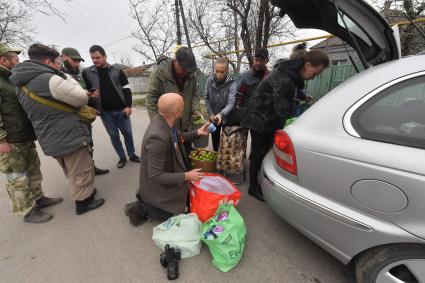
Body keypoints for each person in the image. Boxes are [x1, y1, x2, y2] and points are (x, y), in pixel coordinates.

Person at [10, 43, 105, 215]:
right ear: (47, 61)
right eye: (56, 62)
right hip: (68, 133)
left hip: (49, 135)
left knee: (70, 168)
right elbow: (80, 98)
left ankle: (84, 192)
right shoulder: (50, 79)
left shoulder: (20, 83)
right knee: (80, 169)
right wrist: (66, 77)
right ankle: (84, 202)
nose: (58, 65)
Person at [241, 49, 329, 202]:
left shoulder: (291, 73)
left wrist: (301, 96)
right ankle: (253, 187)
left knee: (266, 151)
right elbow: (282, 108)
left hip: (267, 117)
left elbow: (290, 91)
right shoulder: (285, 78)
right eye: (315, 73)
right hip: (258, 117)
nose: (315, 77)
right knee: (258, 152)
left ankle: (262, 181)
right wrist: (300, 110)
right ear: (307, 65)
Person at [124, 93, 209, 226]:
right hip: (157, 186)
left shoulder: (165, 120)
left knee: (187, 202)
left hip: (167, 177)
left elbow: (177, 138)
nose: (184, 107)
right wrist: (187, 175)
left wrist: (198, 132)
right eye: (183, 106)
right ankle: (140, 208)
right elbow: (156, 176)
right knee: (178, 213)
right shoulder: (157, 137)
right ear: (176, 112)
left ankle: (146, 201)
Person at [0, 44, 63, 223]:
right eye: (15, 59)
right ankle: (28, 211)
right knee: (17, 177)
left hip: (24, 135)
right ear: (3, 60)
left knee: (33, 170)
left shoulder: (11, 79)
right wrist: (1, 140)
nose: (18, 61)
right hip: (10, 140)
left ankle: (38, 199)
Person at [82, 45, 140, 169]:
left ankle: (132, 154)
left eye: (98, 57)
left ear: (105, 56)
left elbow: (126, 89)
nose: (95, 60)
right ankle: (122, 157)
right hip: (105, 113)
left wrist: (128, 106)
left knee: (128, 134)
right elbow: (89, 92)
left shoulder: (117, 70)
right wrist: (92, 105)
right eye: (92, 58)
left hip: (121, 110)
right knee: (114, 136)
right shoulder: (87, 73)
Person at [61, 47, 109, 175]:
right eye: (74, 61)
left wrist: (92, 101)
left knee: (88, 145)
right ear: (64, 57)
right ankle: (83, 177)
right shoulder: (59, 75)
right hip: (71, 121)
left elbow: (83, 95)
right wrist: (86, 96)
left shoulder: (78, 74)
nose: (77, 64)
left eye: (78, 61)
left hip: (83, 119)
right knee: (78, 151)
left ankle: (91, 168)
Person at [145, 46, 201, 154]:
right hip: (168, 125)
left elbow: (195, 93)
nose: (186, 72)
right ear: (175, 61)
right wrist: (158, 124)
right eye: (184, 69)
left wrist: (195, 109)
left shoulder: (190, 73)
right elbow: (151, 99)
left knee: (186, 153)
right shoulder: (159, 72)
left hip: (185, 124)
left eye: (188, 70)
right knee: (171, 156)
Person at [228, 48, 270, 126]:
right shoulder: (245, 76)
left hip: (263, 118)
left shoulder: (270, 77)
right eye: (256, 60)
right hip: (246, 116)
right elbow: (237, 95)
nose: (258, 63)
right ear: (253, 59)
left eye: (261, 61)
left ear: (266, 61)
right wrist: (238, 108)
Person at [205, 57, 236, 151]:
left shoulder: (232, 83)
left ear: (226, 70)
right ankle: (215, 158)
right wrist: (211, 114)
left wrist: (221, 114)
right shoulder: (209, 81)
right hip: (214, 116)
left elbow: (231, 103)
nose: (219, 74)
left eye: (222, 72)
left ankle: (225, 162)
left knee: (227, 141)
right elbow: (206, 98)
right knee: (215, 139)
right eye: (217, 71)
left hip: (226, 116)